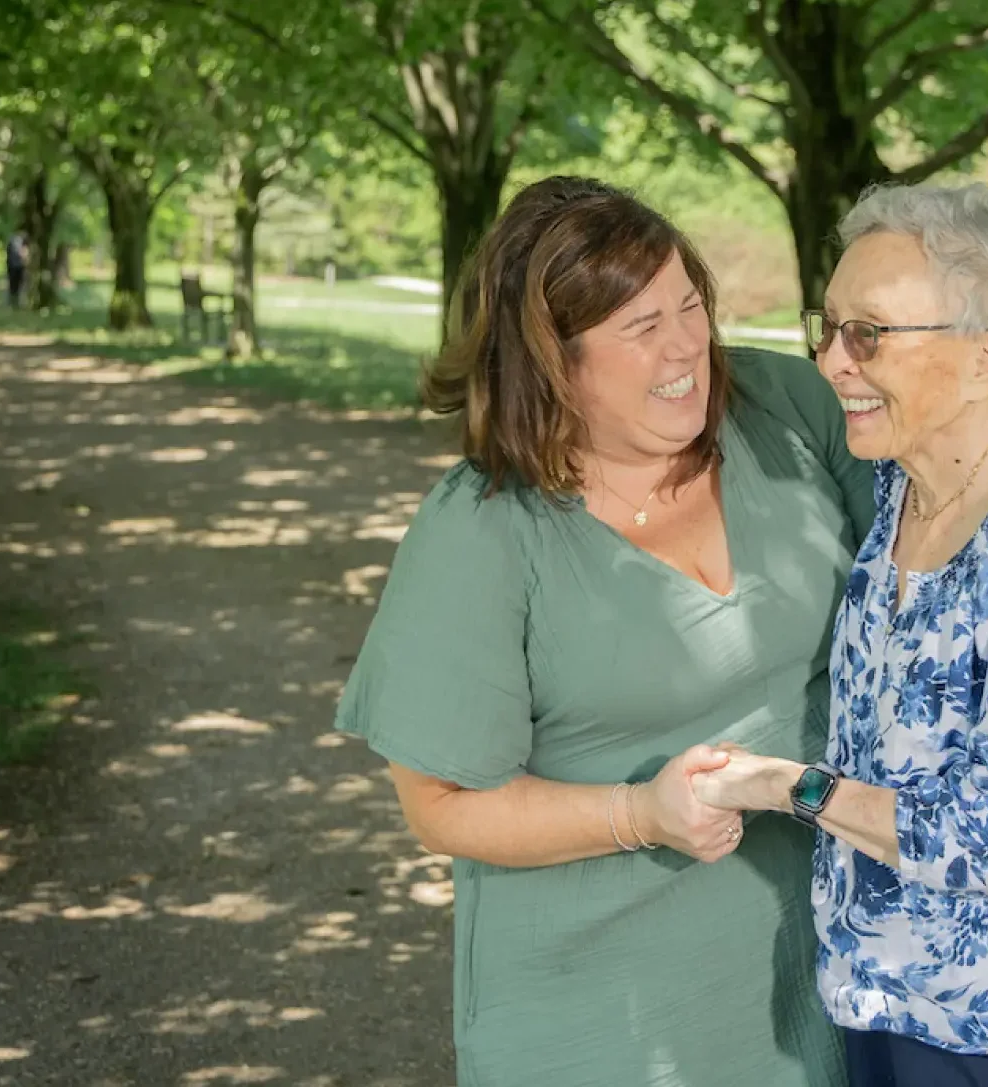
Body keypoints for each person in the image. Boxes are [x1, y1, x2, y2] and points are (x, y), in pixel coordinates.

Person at [333, 176, 874, 1087]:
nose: (686, 347)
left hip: (813, 974)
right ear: (552, 359)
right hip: (598, 1012)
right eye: (638, 327)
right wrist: (640, 813)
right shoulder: (482, 530)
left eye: (690, 306)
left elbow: (936, 563)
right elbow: (439, 804)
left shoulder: (783, 408)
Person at [689, 182, 988, 1087]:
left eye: (869, 334)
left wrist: (787, 786)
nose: (830, 361)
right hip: (881, 986)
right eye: (824, 327)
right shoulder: (903, 481)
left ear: (987, 360)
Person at [4, 229, 29, 308]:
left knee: (18, 284)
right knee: (14, 285)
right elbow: (17, 254)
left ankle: (15, 302)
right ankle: (13, 302)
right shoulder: (14, 241)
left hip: (18, 266)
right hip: (14, 266)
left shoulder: (21, 241)